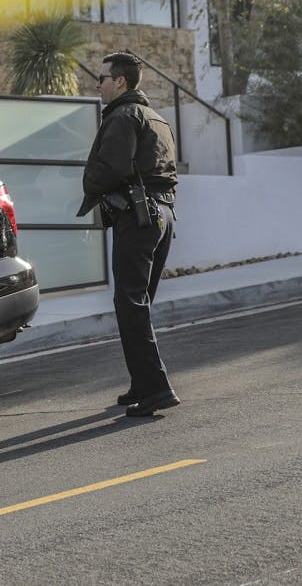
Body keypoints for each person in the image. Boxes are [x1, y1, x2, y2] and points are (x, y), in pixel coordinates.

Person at [77, 52, 181, 418]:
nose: (97, 84)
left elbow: (111, 168)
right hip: (162, 216)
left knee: (131, 305)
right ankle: (142, 383)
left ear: (120, 82)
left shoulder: (123, 116)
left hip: (138, 218)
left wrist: (89, 180)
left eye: (102, 78)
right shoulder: (157, 118)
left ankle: (155, 389)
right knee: (139, 305)